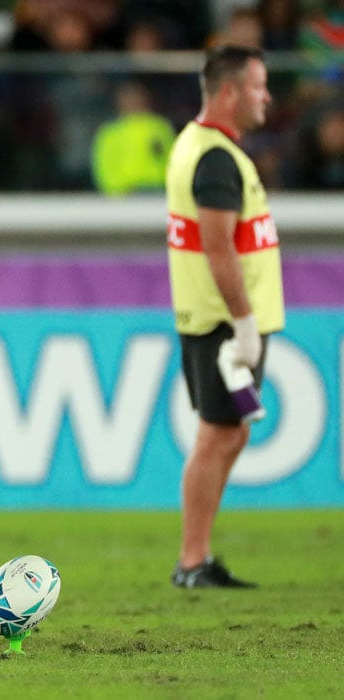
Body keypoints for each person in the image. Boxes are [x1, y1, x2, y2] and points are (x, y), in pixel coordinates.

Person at [165, 46, 282, 588]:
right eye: (259, 86)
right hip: (221, 325)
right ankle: (192, 562)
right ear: (230, 92)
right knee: (217, 435)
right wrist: (243, 323)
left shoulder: (197, 145)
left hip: (214, 319)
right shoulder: (216, 158)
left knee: (229, 434)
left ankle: (197, 558)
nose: (267, 98)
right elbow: (219, 248)